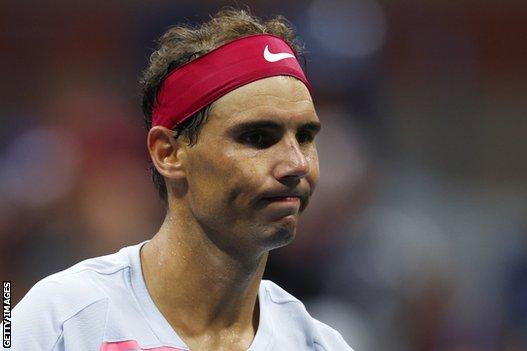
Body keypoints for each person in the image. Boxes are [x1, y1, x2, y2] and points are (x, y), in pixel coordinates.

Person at [10, 8, 353, 351]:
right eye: (258, 138)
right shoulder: (58, 321)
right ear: (168, 153)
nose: (296, 164)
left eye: (306, 136)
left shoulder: (320, 344)